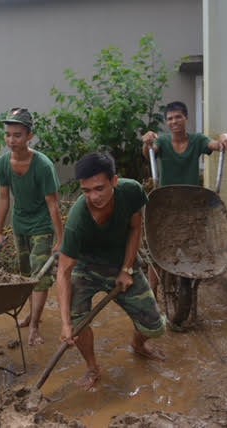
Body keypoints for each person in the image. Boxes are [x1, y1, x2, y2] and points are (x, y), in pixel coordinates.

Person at [56, 152, 166, 391]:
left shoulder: (132, 191)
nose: (93, 197)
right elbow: (63, 271)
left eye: (99, 188)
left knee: (155, 327)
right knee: (77, 324)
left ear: (115, 181)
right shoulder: (78, 220)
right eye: (86, 191)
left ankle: (138, 344)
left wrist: (126, 269)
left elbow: (136, 228)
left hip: (121, 263)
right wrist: (65, 324)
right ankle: (93, 367)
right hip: (87, 268)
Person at [141, 101, 227, 294]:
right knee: (155, 248)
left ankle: (193, 278)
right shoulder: (164, 141)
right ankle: (152, 292)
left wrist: (225, 138)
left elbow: (218, 146)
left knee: (196, 244)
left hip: (192, 202)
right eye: (170, 119)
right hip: (166, 202)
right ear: (167, 122)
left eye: (178, 117)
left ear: (186, 118)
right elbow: (150, 153)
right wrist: (147, 142)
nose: (174, 121)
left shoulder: (198, 140)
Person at [0, 107, 64, 346]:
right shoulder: (2, 164)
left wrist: (60, 239)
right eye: (8, 135)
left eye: (18, 135)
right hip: (20, 224)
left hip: (42, 226)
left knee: (39, 276)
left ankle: (34, 325)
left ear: (29, 136)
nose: (12, 140)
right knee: (25, 274)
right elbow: (4, 198)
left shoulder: (43, 165)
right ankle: (30, 315)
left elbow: (53, 204)